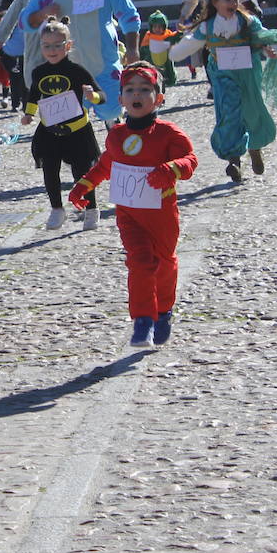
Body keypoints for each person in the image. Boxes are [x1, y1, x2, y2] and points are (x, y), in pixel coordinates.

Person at [67, 63, 198, 349]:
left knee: (163, 265)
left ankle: (163, 311)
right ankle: (142, 322)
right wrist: (83, 186)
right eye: (130, 89)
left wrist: (171, 169)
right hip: (129, 215)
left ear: (158, 98)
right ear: (121, 99)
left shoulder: (168, 133)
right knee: (139, 262)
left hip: (162, 215)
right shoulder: (117, 135)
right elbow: (106, 164)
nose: (137, 94)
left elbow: (190, 161)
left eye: (145, 89)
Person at [168, 0, 277, 182]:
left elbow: (261, 37)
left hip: (247, 72)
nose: (233, 3)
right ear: (215, 2)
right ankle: (233, 160)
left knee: (252, 111)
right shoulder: (208, 26)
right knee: (229, 112)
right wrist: (174, 53)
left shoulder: (247, 21)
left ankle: (254, 148)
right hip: (222, 74)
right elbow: (191, 43)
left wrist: (267, 48)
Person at [21, 0, 140, 121]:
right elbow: (25, 21)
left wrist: (133, 49)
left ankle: (112, 125)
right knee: (62, 124)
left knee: (113, 110)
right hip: (65, 71)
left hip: (104, 64)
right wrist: (44, 13)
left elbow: (129, 14)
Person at [22, 19, 105, 231]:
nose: (52, 50)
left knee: (82, 173)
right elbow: (33, 96)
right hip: (50, 130)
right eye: (47, 45)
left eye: (57, 45)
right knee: (50, 170)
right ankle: (57, 209)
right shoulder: (38, 72)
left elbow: (101, 96)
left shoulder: (77, 70)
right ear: (41, 46)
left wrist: (91, 95)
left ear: (68, 46)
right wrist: (28, 115)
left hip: (77, 130)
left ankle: (91, 209)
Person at [139, 11, 180, 89]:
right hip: (151, 65)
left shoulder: (168, 37)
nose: (157, 29)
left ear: (164, 27)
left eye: (160, 27)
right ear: (151, 27)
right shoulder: (148, 38)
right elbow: (142, 51)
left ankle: (161, 96)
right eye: (155, 27)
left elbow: (178, 37)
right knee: (151, 82)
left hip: (164, 65)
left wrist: (181, 31)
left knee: (162, 82)